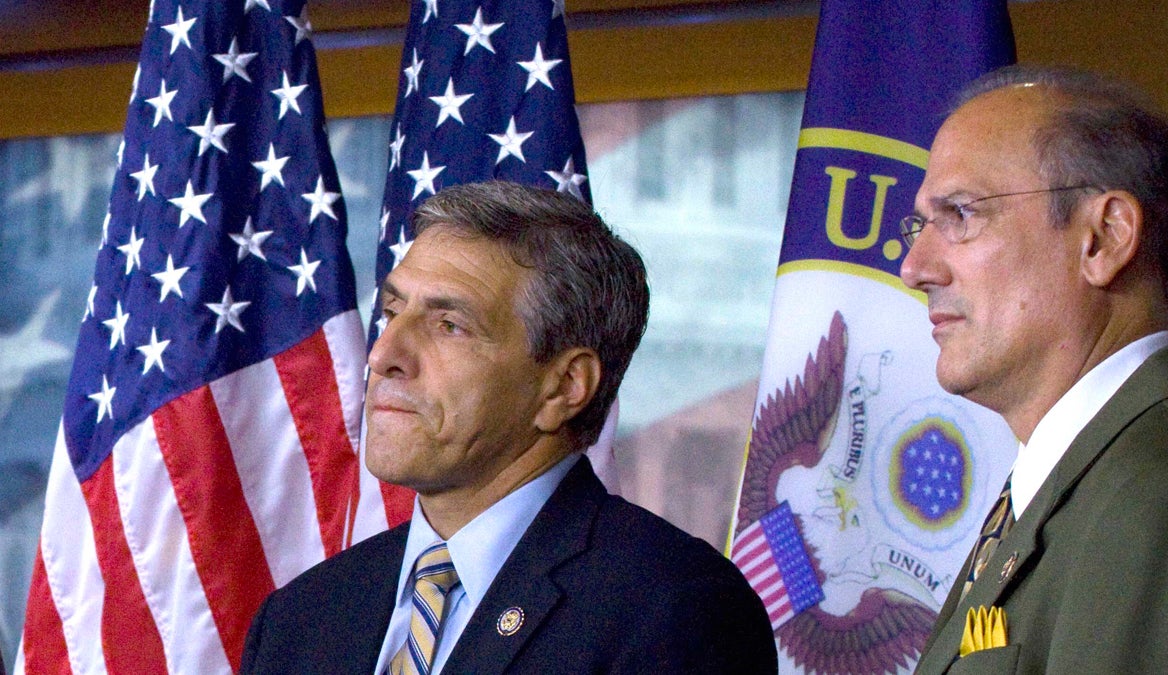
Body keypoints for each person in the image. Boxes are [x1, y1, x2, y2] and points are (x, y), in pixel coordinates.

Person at [240, 181, 778, 674]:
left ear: (565, 386)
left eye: (449, 325)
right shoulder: (299, 620)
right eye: (392, 312)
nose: (383, 354)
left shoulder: (674, 612)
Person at [899, 64, 1168, 673]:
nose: (915, 267)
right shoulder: (1090, 477)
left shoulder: (1167, 497)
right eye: (922, 223)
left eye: (960, 214)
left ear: (1104, 239)